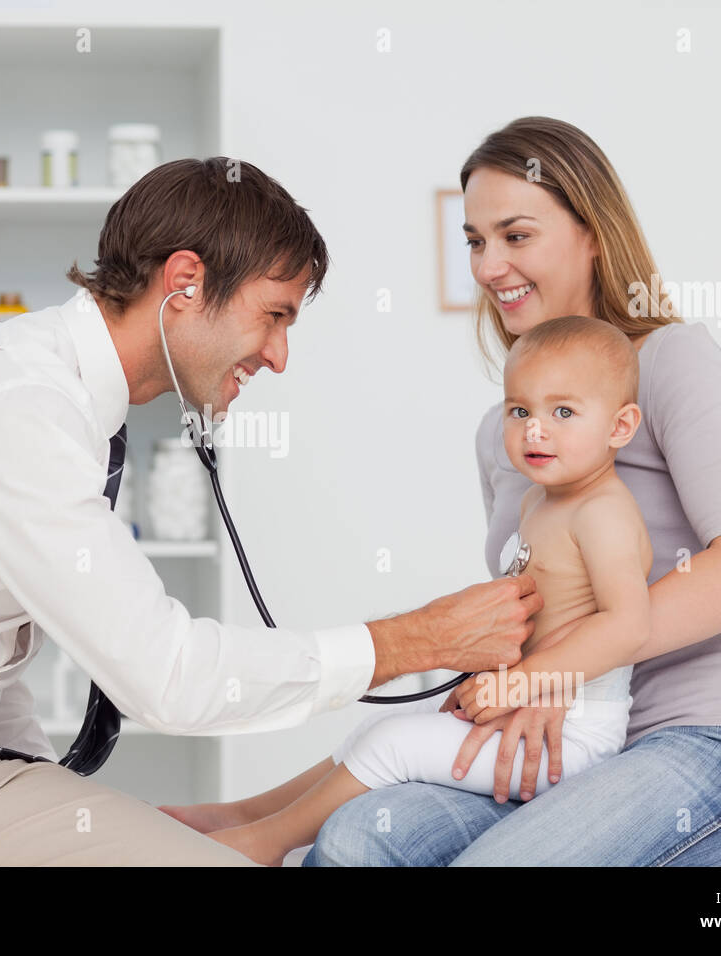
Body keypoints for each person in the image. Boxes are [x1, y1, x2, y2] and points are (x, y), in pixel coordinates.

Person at [0, 157, 541, 866]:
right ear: (185, 282)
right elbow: (168, 674)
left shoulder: (82, 417)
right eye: (274, 317)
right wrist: (420, 639)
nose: (277, 356)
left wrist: (69, 811)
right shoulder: (11, 393)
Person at [301, 117, 721, 866]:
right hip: (566, 744)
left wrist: (559, 668)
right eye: (475, 241)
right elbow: (545, 605)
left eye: (515, 235)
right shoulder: (504, 435)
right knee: (353, 844)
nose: (487, 264)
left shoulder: (670, 362)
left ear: (592, 233)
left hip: (713, 738)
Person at [163, 316, 656, 865]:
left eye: (563, 412)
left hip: (572, 737)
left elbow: (628, 625)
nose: (535, 430)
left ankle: (265, 844)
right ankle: (248, 815)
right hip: (524, 709)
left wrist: (517, 686)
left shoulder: (603, 513)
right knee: (379, 728)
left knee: (392, 744)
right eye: (520, 411)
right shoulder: (540, 502)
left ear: (620, 426)